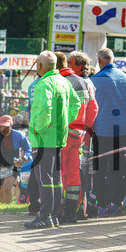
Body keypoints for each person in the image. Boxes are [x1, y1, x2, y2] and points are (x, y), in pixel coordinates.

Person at [25, 51, 79, 229]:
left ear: (39, 66)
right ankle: (53, 216)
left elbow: (44, 110)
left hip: (43, 138)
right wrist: (64, 121)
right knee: (56, 178)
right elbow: (76, 104)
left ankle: (45, 216)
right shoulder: (63, 81)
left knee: (44, 178)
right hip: (58, 136)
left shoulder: (43, 83)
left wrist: (37, 129)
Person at [57, 52, 97, 223]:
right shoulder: (86, 83)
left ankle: (59, 211)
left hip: (63, 133)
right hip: (79, 134)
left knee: (60, 172)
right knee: (73, 172)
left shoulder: (60, 81)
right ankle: (72, 212)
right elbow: (94, 108)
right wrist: (85, 127)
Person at [91, 48, 126, 217]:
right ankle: (116, 203)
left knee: (101, 169)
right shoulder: (124, 76)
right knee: (119, 168)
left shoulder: (95, 79)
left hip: (102, 129)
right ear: (113, 60)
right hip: (121, 128)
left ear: (100, 62)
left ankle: (102, 204)